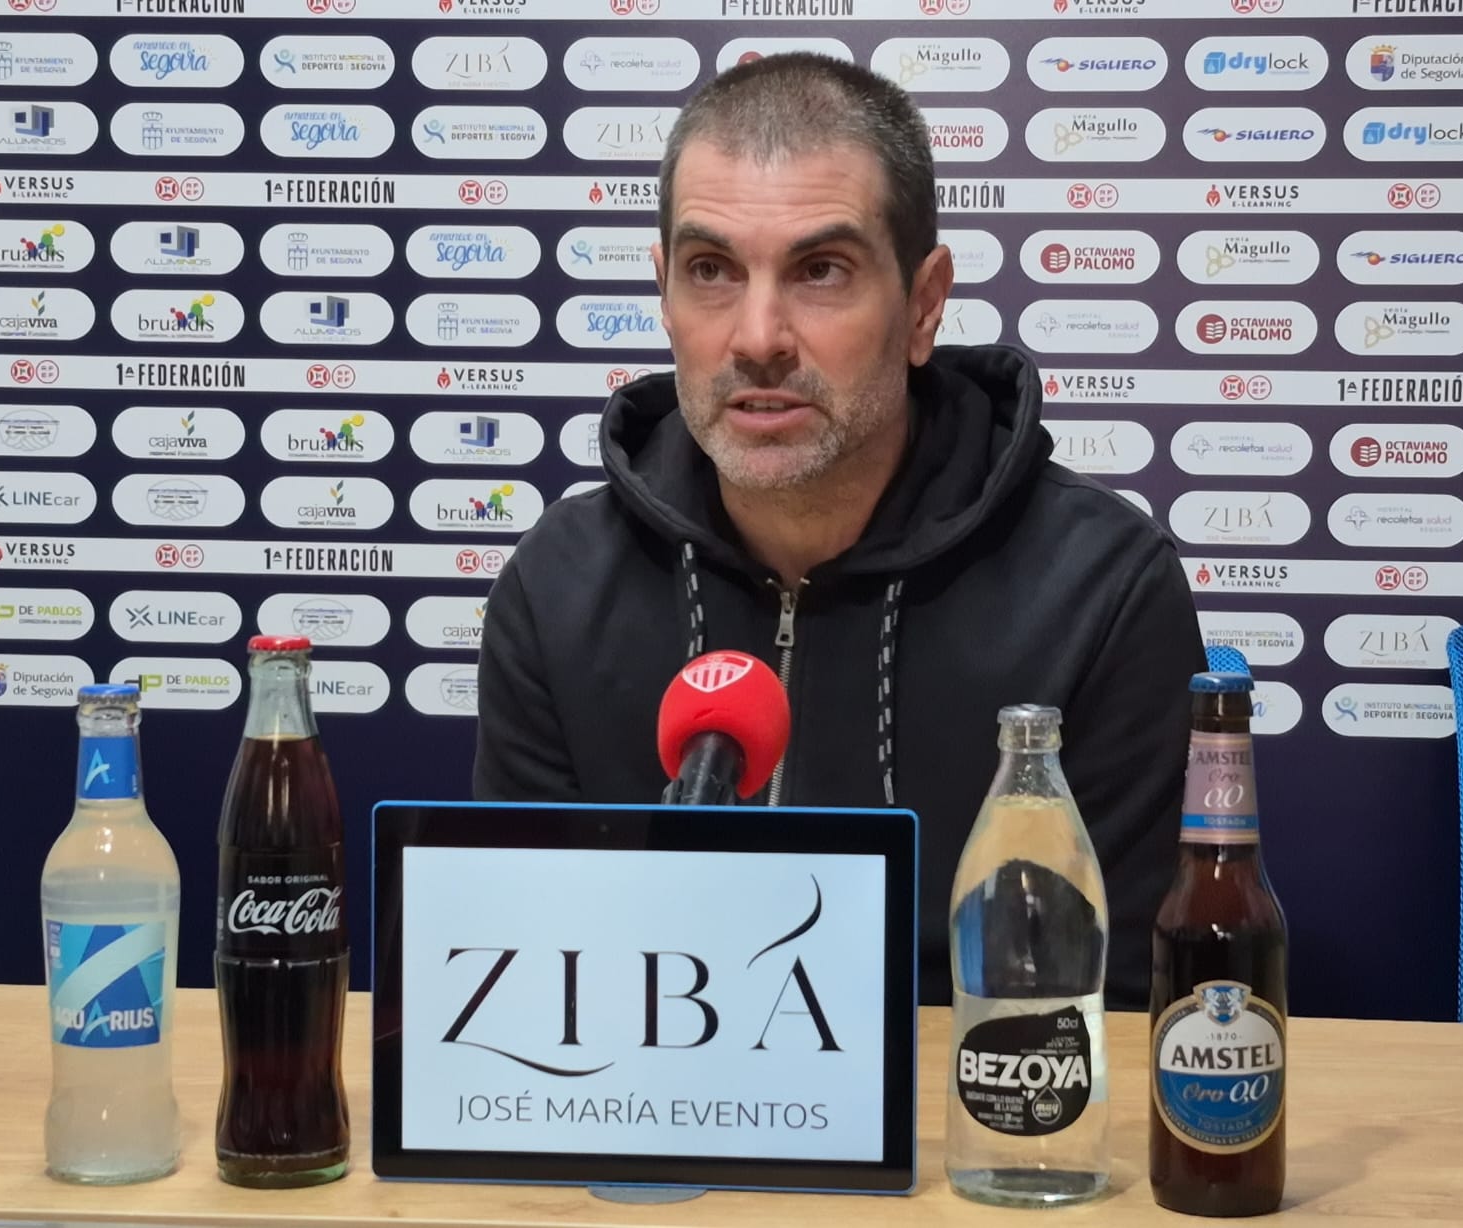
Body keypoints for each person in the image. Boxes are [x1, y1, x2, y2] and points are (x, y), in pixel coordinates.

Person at [473, 53, 1205, 1007]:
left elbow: (1125, 1009)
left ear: (923, 305)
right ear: (663, 293)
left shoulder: (1102, 592)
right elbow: (527, 988)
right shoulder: (557, 590)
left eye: (820, 271)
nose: (758, 337)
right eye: (710, 271)